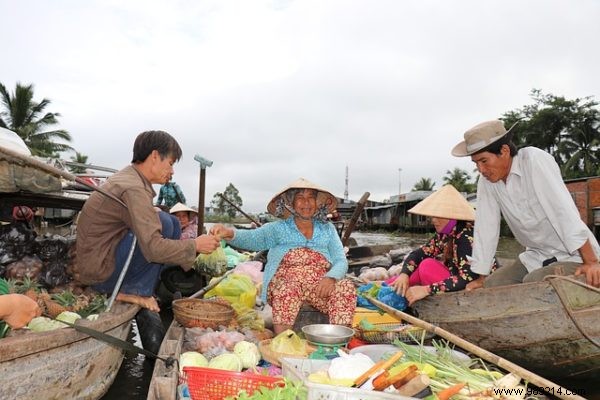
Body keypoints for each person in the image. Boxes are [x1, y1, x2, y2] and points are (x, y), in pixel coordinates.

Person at [74, 130, 220, 313]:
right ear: (155, 156)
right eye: (170, 163)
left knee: (171, 223)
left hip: (100, 260)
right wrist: (195, 245)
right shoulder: (133, 187)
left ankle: (139, 287)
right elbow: (154, 248)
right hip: (100, 273)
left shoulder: (131, 178)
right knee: (165, 224)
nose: (172, 171)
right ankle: (127, 290)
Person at [451, 119, 600, 289]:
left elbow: (562, 210)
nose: (481, 170)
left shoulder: (533, 161)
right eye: (476, 163)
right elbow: (486, 227)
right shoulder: (487, 182)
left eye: (484, 161)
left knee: (534, 283)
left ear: (504, 151)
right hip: (535, 256)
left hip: (574, 254)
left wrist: (592, 262)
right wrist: (481, 276)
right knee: (493, 284)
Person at [210, 178, 357, 334]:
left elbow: (341, 260)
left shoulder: (328, 229)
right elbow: (253, 238)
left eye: (310, 198)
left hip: (319, 286)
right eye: (300, 198)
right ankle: (283, 346)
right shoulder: (278, 228)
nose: (306, 203)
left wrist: (331, 277)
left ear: (317, 203)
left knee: (346, 287)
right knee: (287, 289)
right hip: (285, 283)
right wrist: (228, 233)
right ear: (291, 203)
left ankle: (339, 346)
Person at [389, 185, 496, 305]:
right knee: (416, 268)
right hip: (457, 278)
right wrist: (404, 274)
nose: (433, 220)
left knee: (427, 265)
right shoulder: (445, 234)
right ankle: (389, 286)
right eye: (433, 215)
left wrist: (426, 289)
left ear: (452, 217)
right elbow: (419, 254)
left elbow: (467, 278)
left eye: (438, 215)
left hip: (474, 286)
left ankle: (393, 289)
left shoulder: (466, 236)